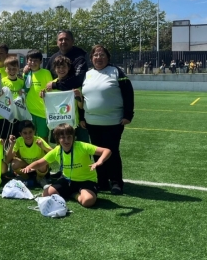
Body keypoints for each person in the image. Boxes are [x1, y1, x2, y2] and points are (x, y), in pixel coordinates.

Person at [78, 45, 134, 195]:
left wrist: (128, 115)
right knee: (97, 153)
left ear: (108, 57)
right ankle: (101, 182)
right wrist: (82, 116)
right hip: (91, 122)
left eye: (102, 55)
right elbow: (81, 98)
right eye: (96, 55)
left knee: (112, 152)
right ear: (91, 58)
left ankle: (116, 183)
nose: (99, 58)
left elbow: (128, 93)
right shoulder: (87, 74)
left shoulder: (116, 72)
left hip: (113, 122)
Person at [22, 124, 111, 208]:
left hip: (87, 180)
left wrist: (99, 161)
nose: (66, 140)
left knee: (88, 201)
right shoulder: (57, 150)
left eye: (69, 137)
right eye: (63, 137)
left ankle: (73, 195)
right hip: (67, 180)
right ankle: (72, 192)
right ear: (57, 139)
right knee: (45, 195)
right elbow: (40, 163)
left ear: (73, 137)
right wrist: (29, 167)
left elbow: (106, 151)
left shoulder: (82, 146)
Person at [6, 120, 52, 188]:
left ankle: (41, 178)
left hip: (39, 168)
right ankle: (26, 177)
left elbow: (54, 152)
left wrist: (43, 147)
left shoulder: (38, 140)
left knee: (42, 163)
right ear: (20, 134)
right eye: (25, 133)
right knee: (14, 163)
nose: (28, 135)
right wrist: (12, 144)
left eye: (30, 132)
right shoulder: (19, 141)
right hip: (26, 167)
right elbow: (7, 160)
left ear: (34, 131)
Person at [24, 49, 53, 139]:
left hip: (42, 113)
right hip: (29, 113)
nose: (33, 62)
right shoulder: (26, 73)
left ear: (40, 61)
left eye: (36, 60)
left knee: (43, 139)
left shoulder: (46, 73)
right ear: (27, 61)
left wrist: (45, 92)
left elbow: (51, 90)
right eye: (30, 60)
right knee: (30, 139)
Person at [0, 55, 24, 140]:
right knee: (3, 140)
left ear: (18, 68)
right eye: (9, 69)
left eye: (14, 69)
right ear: (5, 69)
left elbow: (24, 101)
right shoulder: (0, 82)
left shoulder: (21, 82)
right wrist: (0, 94)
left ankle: (13, 154)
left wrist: (22, 95)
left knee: (16, 140)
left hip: (17, 116)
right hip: (4, 115)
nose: (12, 71)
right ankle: (2, 154)